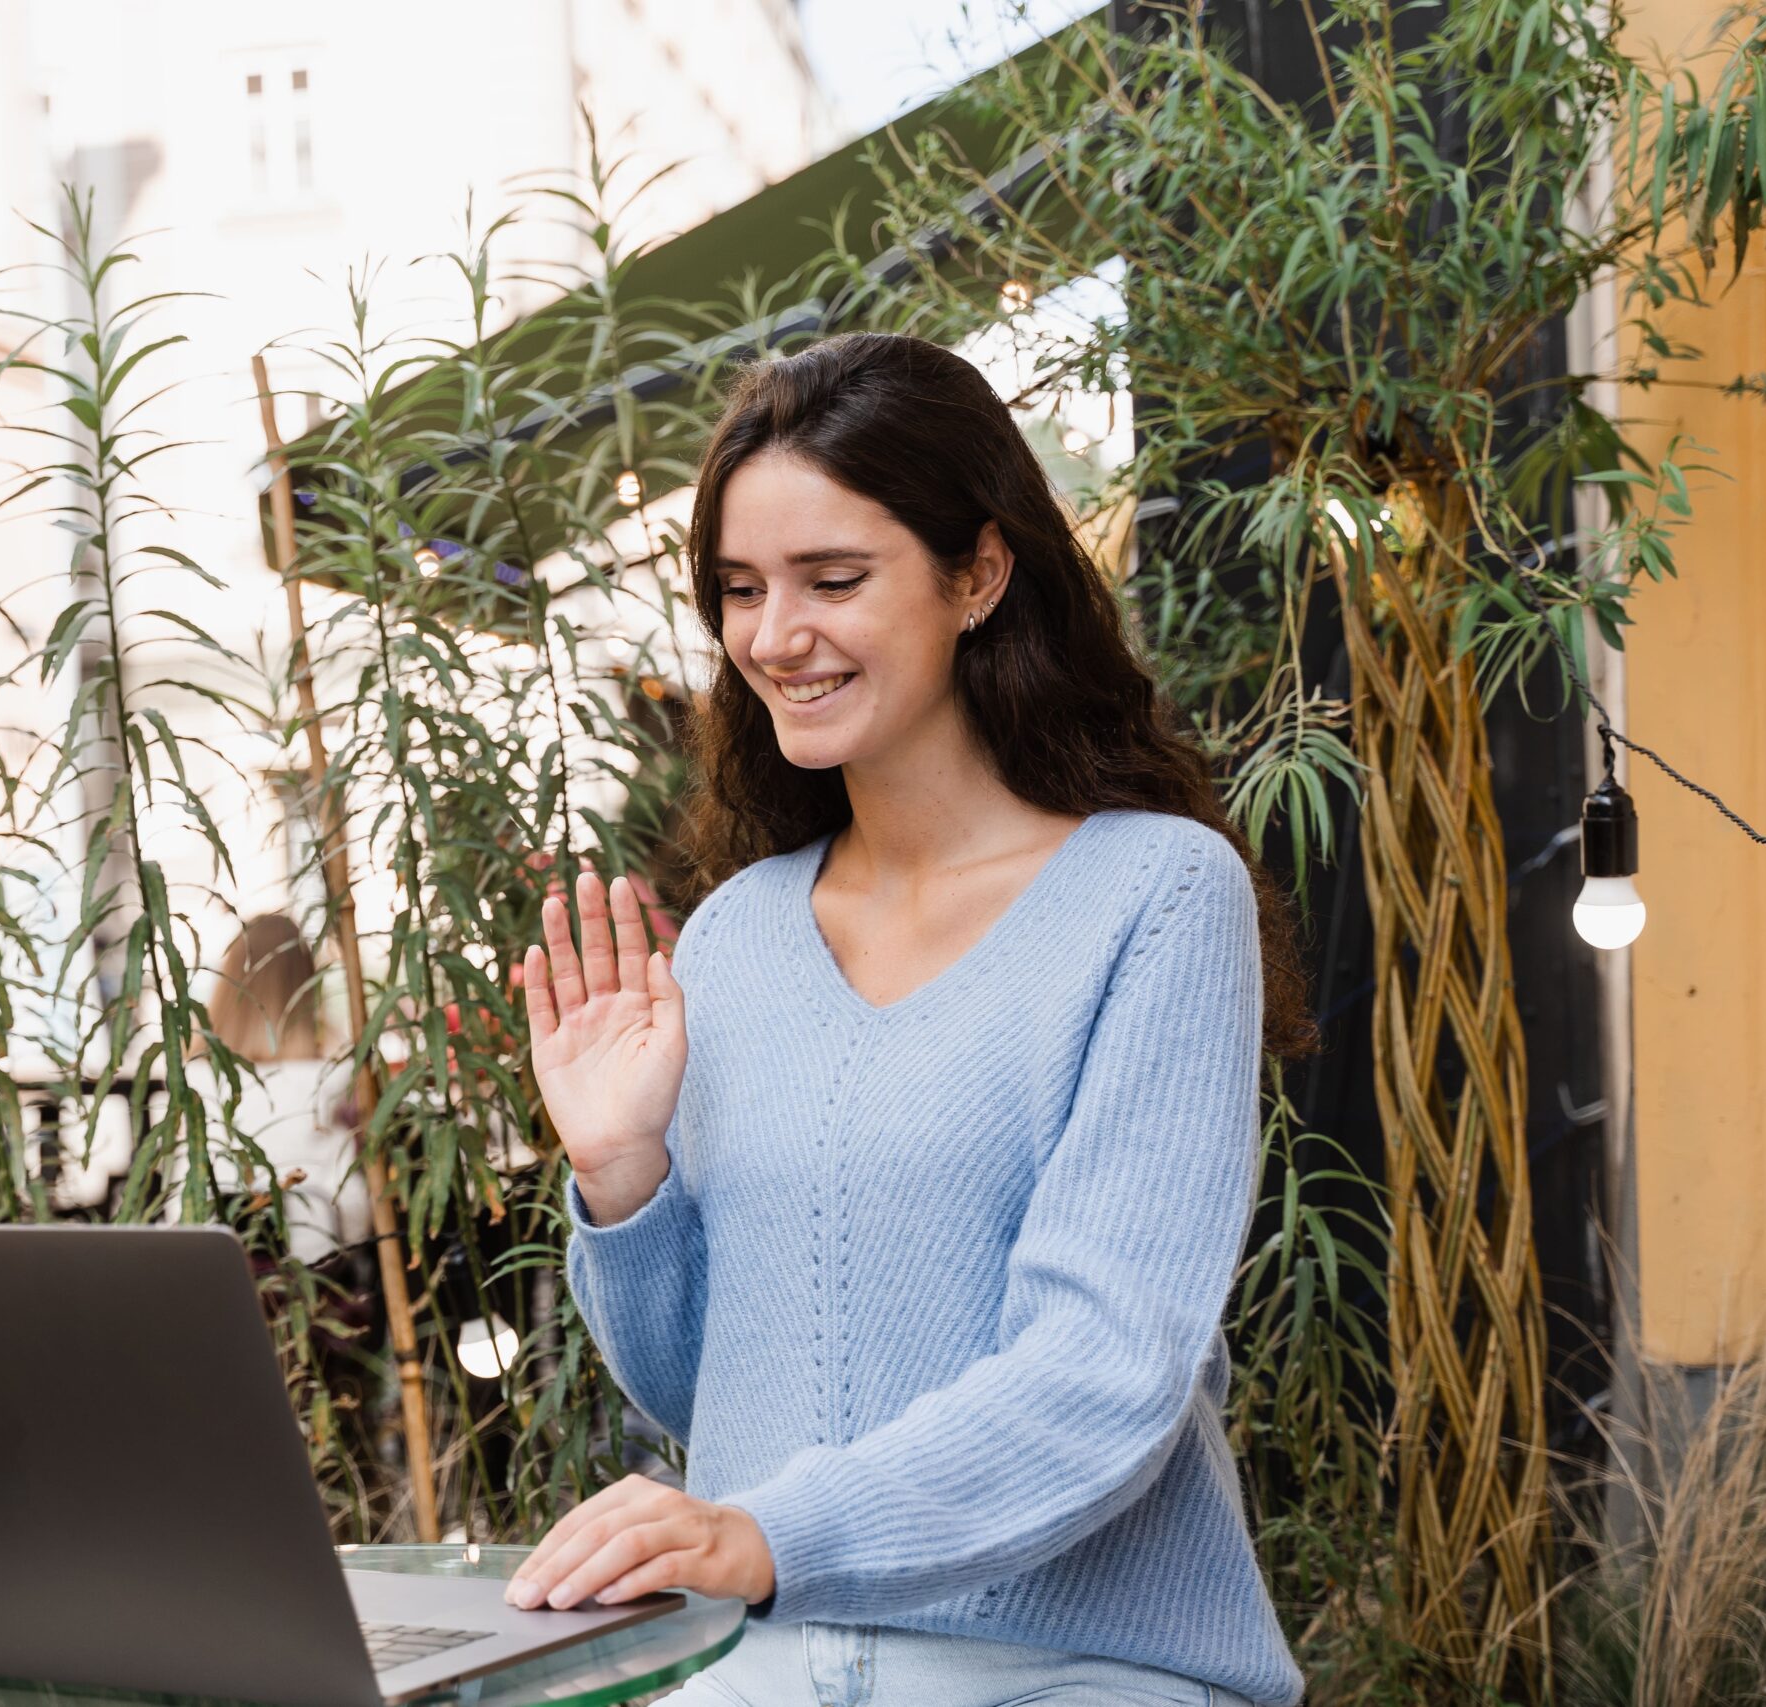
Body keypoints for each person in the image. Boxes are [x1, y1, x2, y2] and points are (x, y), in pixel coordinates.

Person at [509, 333, 1319, 1707]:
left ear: (978, 575)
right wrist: (623, 1178)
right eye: (742, 589)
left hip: (1074, 1668)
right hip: (762, 1665)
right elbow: (716, 1397)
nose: (775, 635)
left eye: (835, 579)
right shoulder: (738, 938)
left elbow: (1104, 1373)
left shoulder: (1156, 894)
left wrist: (772, 1536)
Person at [201, 912, 368, 1263]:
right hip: (315, 1279)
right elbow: (356, 1218)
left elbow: (177, 1210)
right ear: (306, 987)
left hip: (209, 1274)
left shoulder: (195, 1079)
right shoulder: (333, 1078)